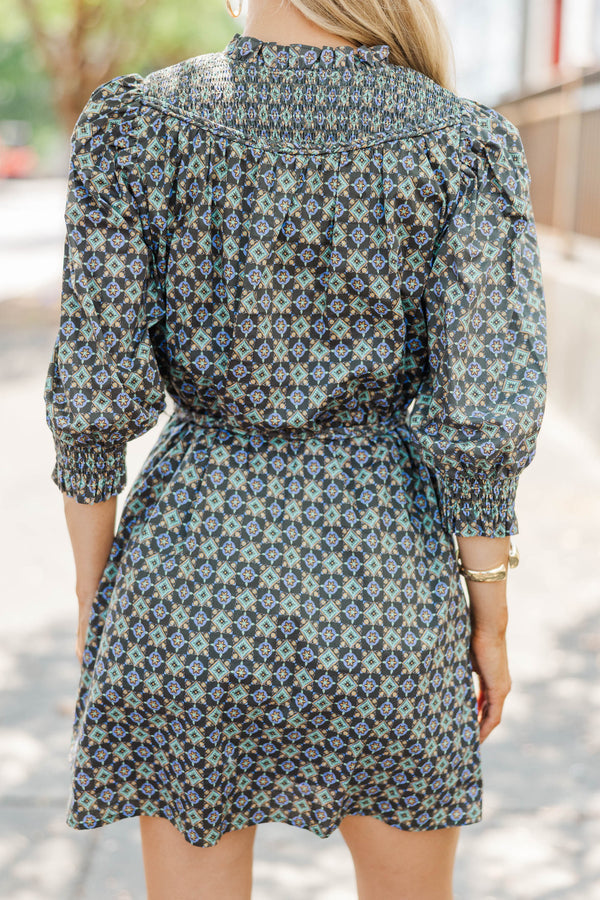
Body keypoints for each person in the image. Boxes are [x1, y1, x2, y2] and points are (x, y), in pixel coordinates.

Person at [42, 0, 548, 897]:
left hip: (187, 575)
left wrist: (96, 583)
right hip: (383, 583)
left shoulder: (134, 124)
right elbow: (483, 416)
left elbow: (91, 395)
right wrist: (491, 618)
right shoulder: (461, 143)